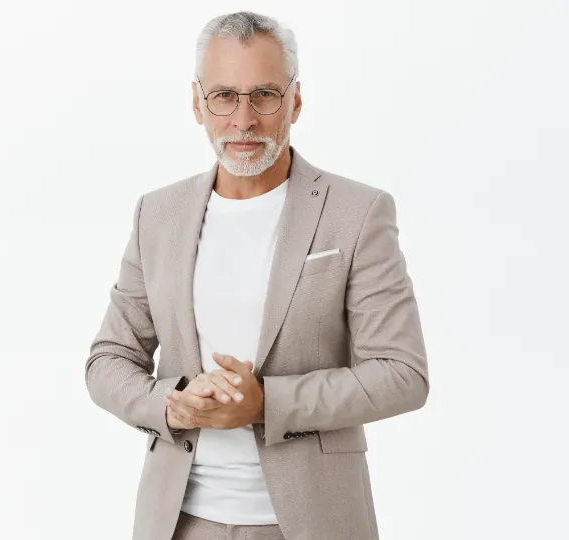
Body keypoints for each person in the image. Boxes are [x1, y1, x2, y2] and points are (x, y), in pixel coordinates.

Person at [85, 11, 429, 540]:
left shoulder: (357, 213)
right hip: (179, 522)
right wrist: (173, 403)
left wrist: (267, 403)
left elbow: (402, 374)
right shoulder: (158, 214)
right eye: (224, 96)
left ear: (295, 101)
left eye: (264, 94)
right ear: (197, 104)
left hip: (312, 522)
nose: (243, 119)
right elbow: (108, 360)